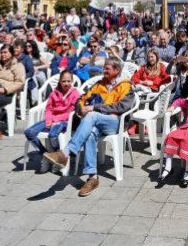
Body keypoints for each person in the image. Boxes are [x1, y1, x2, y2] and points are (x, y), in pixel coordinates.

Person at [44, 56, 137, 197]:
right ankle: (92, 177)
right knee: (91, 132)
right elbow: (81, 99)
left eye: (107, 68)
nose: (103, 70)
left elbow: (123, 106)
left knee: (92, 115)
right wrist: (81, 108)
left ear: (117, 70)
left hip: (115, 122)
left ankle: (66, 153)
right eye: (104, 67)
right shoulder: (98, 85)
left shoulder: (126, 86)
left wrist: (95, 108)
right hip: (96, 123)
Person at [24, 70, 79, 173]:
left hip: (64, 121)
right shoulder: (54, 93)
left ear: (72, 81)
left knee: (52, 134)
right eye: (63, 81)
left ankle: (58, 158)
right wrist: (49, 121)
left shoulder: (75, 94)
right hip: (51, 119)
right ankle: (46, 156)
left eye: (68, 81)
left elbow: (72, 111)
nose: (66, 83)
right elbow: (49, 108)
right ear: (60, 81)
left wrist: (56, 121)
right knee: (29, 132)